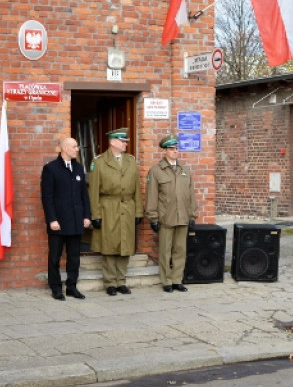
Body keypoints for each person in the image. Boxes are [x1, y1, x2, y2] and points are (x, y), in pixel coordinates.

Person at [89, 127, 143, 296]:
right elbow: (94, 191)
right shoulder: (99, 162)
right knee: (109, 245)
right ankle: (110, 282)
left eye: (125, 141)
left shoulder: (131, 161)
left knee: (125, 244)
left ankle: (121, 281)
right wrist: (95, 214)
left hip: (128, 207)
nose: (126, 144)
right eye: (122, 141)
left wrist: (138, 212)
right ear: (112, 142)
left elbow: (137, 189)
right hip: (108, 207)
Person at [40, 137, 92, 301]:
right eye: (74, 146)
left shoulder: (78, 168)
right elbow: (47, 197)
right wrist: (52, 219)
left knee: (74, 257)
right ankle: (56, 288)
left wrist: (86, 216)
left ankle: (71, 286)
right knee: (55, 257)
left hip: (76, 221)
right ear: (64, 149)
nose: (77, 149)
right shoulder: (51, 169)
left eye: (77, 146)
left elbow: (84, 195)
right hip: (59, 222)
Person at [145, 134, 198, 293]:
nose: (175, 151)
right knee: (165, 252)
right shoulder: (156, 171)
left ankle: (177, 280)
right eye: (172, 149)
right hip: (166, 218)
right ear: (165, 151)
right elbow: (152, 196)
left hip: (182, 217)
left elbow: (191, 195)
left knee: (180, 251)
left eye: (177, 148)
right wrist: (153, 217)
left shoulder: (185, 171)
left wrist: (192, 215)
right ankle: (166, 281)